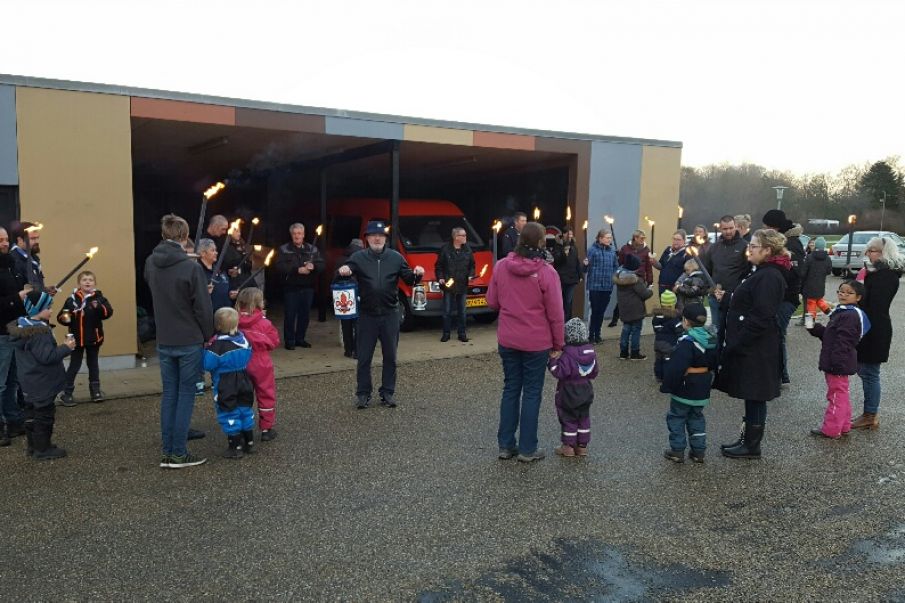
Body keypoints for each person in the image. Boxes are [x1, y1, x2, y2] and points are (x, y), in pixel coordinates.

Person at [487, 221, 564, 462]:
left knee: (510, 388)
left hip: (509, 338)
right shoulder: (546, 273)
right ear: (542, 242)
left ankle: (505, 445)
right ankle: (527, 449)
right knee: (532, 393)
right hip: (536, 342)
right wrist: (558, 344)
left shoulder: (501, 266)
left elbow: (492, 301)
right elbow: (556, 313)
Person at [144, 214, 213, 469]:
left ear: (164, 234)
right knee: (185, 395)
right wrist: (208, 335)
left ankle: (168, 450)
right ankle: (178, 453)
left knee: (170, 394)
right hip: (188, 338)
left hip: (164, 337)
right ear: (184, 237)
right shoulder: (191, 267)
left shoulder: (151, 262)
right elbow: (202, 309)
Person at [713, 229, 787, 460]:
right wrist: (727, 298)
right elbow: (746, 301)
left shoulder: (770, 276)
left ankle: (752, 445)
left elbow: (761, 315)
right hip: (753, 346)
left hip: (757, 348)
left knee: (755, 395)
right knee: (750, 394)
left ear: (767, 250)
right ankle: (746, 440)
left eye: (754, 246)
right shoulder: (760, 272)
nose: (750, 249)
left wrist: (738, 341)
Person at [337, 220, 424, 409]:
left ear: (385, 238)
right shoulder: (358, 257)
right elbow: (341, 276)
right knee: (364, 357)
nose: (377, 238)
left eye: (380, 236)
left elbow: (409, 279)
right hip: (367, 315)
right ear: (367, 238)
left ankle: (387, 392)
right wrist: (343, 271)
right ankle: (363, 394)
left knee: (390, 356)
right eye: (373, 235)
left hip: (390, 314)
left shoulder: (396, 257)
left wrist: (418, 274)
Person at [9, 291, 75, 460]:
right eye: (48, 307)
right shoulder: (39, 332)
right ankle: (43, 449)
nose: (51, 311)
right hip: (42, 382)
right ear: (37, 309)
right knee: (44, 415)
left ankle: (34, 446)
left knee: (31, 414)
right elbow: (48, 357)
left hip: (29, 381)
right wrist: (66, 347)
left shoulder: (23, 327)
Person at [805, 280, 870, 439]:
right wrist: (813, 327)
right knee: (842, 394)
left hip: (838, 363)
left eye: (849, 293)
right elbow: (830, 334)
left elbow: (844, 341)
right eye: (841, 291)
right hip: (840, 361)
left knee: (835, 396)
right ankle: (844, 425)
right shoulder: (843, 312)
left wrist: (836, 362)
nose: (843, 295)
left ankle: (832, 429)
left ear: (858, 297)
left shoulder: (849, 315)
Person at [851, 237, 904, 430]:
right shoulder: (876, 273)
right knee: (864, 370)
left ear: (883, 252)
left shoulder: (886, 276)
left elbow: (875, 305)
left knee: (870, 372)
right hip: (870, 326)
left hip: (875, 328)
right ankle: (869, 413)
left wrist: (856, 299)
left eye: (871, 250)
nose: (868, 253)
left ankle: (870, 414)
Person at [661, 303, 717, 463]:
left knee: (677, 417)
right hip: (702, 388)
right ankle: (699, 451)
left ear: (685, 321)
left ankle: (677, 450)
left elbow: (677, 367)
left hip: (685, 388)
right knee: (697, 417)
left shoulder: (687, 342)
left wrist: (667, 385)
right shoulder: (711, 339)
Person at [203, 307, 255, 459]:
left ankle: (235, 446)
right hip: (245, 378)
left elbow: (207, 364)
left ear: (218, 326)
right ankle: (249, 442)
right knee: (245, 409)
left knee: (228, 411)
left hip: (225, 382)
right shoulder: (244, 339)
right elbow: (250, 354)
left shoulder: (217, 346)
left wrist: (203, 351)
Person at [56, 271, 113, 406]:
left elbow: (108, 313)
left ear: (94, 283)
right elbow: (62, 317)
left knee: (93, 364)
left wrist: (99, 307)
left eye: (90, 280)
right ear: (79, 283)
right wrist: (66, 317)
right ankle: (67, 393)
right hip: (76, 339)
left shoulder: (99, 298)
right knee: (74, 365)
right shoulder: (71, 299)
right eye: (84, 280)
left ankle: (95, 391)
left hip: (94, 338)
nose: (87, 282)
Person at [762, 210, 804, 384]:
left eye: (767, 226)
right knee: (775, 334)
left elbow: (796, 272)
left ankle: (779, 374)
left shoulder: (792, 244)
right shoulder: (783, 241)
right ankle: (781, 373)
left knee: (777, 335)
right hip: (779, 297)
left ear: (775, 226)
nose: (764, 229)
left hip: (786, 298)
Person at [547, 317, 598, 457]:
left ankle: (568, 447)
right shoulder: (591, 352)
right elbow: (594, 373)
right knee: (584, 417)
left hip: (568, 391)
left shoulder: (568, 354)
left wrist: (552, 360)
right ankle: (582, 446)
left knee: (568, 418)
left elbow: (559, 372)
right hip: (586, 390)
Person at [236, 287, 280, 442]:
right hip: (261, 362)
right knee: (266, 393)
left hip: (240, 363)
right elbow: (274, 342)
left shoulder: (233, 320)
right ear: (258, 303)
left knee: (242, 396)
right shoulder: (264, 323)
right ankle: (266, 428)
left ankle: (242, 427)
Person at [276, 223, 324, 350]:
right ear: (291, 235)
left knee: (305, 315)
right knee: (290, 315)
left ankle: (300, 338)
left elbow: (322, 264)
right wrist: (297, 270)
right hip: (291, 287)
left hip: (308, 287)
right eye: (295, 233)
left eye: (299, 233)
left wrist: (313, 267)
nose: (297, 236)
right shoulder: (284, 249)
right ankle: (290, 340)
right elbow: (279, 266)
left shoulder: (312, 249)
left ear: (303, 235)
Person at [0, 227, 27, 447]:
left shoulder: (11, 265)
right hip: (0, 333)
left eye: (6, 239)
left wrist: (40, 292)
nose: (4, 243)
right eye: (0, 240)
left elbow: (22, 292)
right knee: (0, 383)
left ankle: (14, 420)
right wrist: (15, 297)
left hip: (15, 330)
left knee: (12, 382)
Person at [702, 215, 748, 329]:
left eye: (731, 228)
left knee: (732, 329)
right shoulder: (714, 247)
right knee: (716, 328)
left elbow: (748, 271)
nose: (728, 231)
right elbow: (707, 269)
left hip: (734, 297)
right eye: (725, 229)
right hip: (715, 296)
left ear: (735, 227)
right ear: (720, 229)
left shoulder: (744, 246)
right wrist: (709, 288)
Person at [434, 226, 475, 342]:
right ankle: (446, 334)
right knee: (447, 311)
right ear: (456, 237)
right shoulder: (445, 249)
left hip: (462, 284)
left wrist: (471, 274)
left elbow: (472, 265)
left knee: (462, 312)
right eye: (463, 235)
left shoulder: (468, 249)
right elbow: (438, 266)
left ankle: (462, 334)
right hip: (449, 284)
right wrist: (441, 277)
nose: (466, 237)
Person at [614, 254, 653, 360]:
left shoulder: (619, 277)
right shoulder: (635, 280)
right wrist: (650, 289)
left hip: (624, 309)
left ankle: (623, 353)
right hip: (636, 310)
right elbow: (645, 294)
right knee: (636, 331)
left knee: (625, 330)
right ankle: (635, 353)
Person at [584, 229, 618, 343]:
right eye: (607, 237)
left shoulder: (612, 251)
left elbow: (615, 266)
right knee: (594, 311)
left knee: (601, 312)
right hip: (594, 286)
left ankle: (598, 335)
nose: (610, 239)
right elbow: (585, 268)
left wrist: (613, 278)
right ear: (600, 238)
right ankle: (591, 335)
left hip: (607, 286)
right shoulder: (592, 250)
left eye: (610, 237)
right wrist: (585, 265)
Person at [9, 221, 55, 294]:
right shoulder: (13, 261)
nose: (37, 241)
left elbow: (32, 286)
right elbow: (19, 291)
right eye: (33, 239)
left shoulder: (33, 258)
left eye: (37, 238)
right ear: (20, 240)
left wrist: (44, 291)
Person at [336, 238, 364, 358]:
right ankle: (358, 352)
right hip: (359, 295)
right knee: (359, 325)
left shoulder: (340, 259)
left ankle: (348, 351)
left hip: (345, 296)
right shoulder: (363, 259)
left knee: (346, 324)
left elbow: (334, 278)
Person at [800, 236, 832, 329]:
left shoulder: (810, 257)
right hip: (820, 285)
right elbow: (829, 271)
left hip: (809, 285)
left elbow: (803, 273)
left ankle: (809, 324)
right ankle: (832, 315)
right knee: (820, 301)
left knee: (811, 304)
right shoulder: (827, 258)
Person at [552, 227, 583, 319]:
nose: (570, 236)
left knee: (568, 301)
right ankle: (560, 320)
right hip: (561, 278)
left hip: (572, 278)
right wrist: (564, 254)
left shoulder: (574, 246)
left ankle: (567, 320)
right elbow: (556, 261)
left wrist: (580, 274)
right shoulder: (558, 246)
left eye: (571, 234)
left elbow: (576, 261)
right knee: (560, 301)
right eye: (568, 234)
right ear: (563, 234)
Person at [196, 238, 235, 312]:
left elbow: (227, 286)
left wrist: (231, 293)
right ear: (203, 253)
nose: (216, 253)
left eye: (216, 250)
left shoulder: (219, 269)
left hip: (225, 314)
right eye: (212, 250)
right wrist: (203, 292)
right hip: (209, 315)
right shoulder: (197, 271)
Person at [651, 290, 682, 381]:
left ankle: (658, 376)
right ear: (672, 305)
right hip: (669, 344)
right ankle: (667, 376)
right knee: (668, 360)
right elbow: (679, 330)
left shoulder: (656, 317)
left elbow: (656, 329)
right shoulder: (674, 318)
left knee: (658, 360)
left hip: (658, 342)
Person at [653, 230, 687, 295]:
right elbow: (661, 266)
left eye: (678, 240)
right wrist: (653, 262)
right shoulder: (668, 249)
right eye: (674, 239)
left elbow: (687, 272)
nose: (675, 241)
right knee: (664, 305)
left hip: (675, 288)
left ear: (684, 240)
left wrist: (678, 284)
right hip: (663, 285)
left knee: (676, 305)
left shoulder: (686, 252)